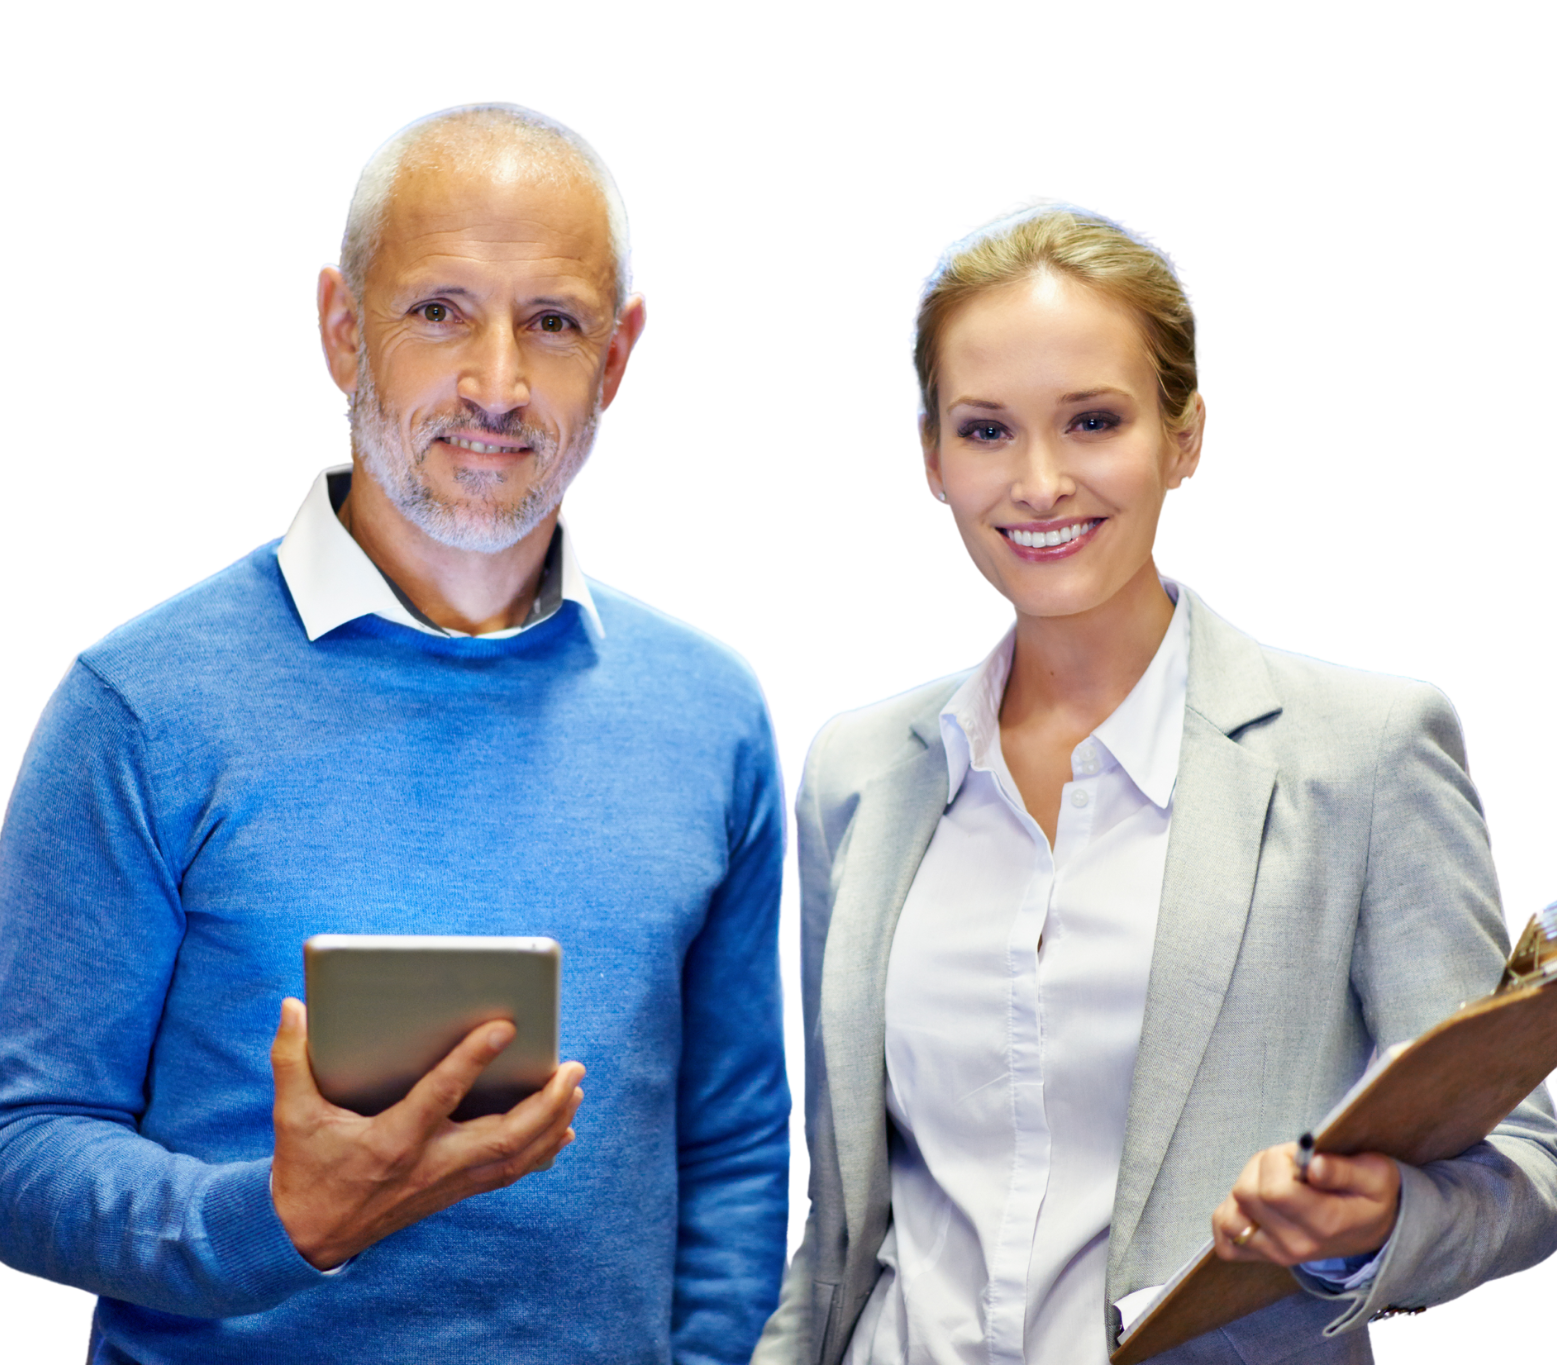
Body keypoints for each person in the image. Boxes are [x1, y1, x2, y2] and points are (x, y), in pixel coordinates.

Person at [0, 101, 790, 1364]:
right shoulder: (137, 703)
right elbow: (21, 1145)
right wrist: (276, 1220)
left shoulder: (714, 705)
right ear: (338, 326)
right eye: (439, 312)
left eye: (553, 323)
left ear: (622, 355)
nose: (496, 385)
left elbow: (736, 1140)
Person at [752, 197, 1557, 1364]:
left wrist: (1377, 1226)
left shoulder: (1370, 747)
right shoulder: (855, 766)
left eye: (1092, 421)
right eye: (985, 430)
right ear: (930, 457)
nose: (1038, 483)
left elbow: (1528, 1166)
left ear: (1184, 438)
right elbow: (841, 1218)